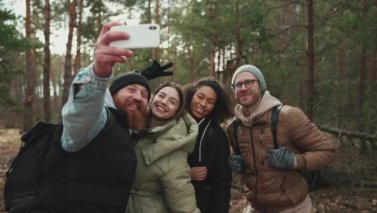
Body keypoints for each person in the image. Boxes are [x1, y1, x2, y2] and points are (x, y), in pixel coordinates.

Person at [31, 22, 160, 213]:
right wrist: (98, 73)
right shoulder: (100, 120)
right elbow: (81, 112)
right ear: (112, 96)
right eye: (131, 90)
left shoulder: (130, 133)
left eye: (144, 95)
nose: (138, 97)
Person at [226, 64, 336, 213]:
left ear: (261, 86)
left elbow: (328, 152)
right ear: (234, 91)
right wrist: (239, 165)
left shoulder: (288, 116)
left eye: (249, 82)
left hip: (293, 208)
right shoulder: (234, 127)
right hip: (255, 207)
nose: (243, 87)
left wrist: (295, 161)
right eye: (238, 85)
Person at [127, 81, 200, 213]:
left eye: (172, 102)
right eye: (161, 95)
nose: (164, 102)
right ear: (153, 97)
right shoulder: (132, 124)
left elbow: (184, 205)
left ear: (177, 111)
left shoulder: (173, 149)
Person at [185, 79, 233, 213]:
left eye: (210, 102)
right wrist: (188, 173)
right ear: (191, 95)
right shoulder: (174, 123)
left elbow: (222, 181)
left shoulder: (217, 134)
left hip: (204, 206)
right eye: (200, 97)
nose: (203, 104)